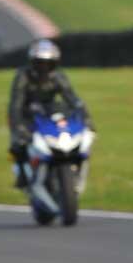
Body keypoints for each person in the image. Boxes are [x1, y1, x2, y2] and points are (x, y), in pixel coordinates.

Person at [8, 39, 95, 188]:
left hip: (47, 111)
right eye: (40, 62)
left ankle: (69, 172)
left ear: (54, 63)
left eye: (48, 63)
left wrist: (86, 119)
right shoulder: (22, 76)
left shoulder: (58, 77)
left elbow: (73, 99)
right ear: (33, 62)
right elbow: (15, 104)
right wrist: (19, 128)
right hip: (25, 112)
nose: (44, 67)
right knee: (18, 144)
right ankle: (23, 175)